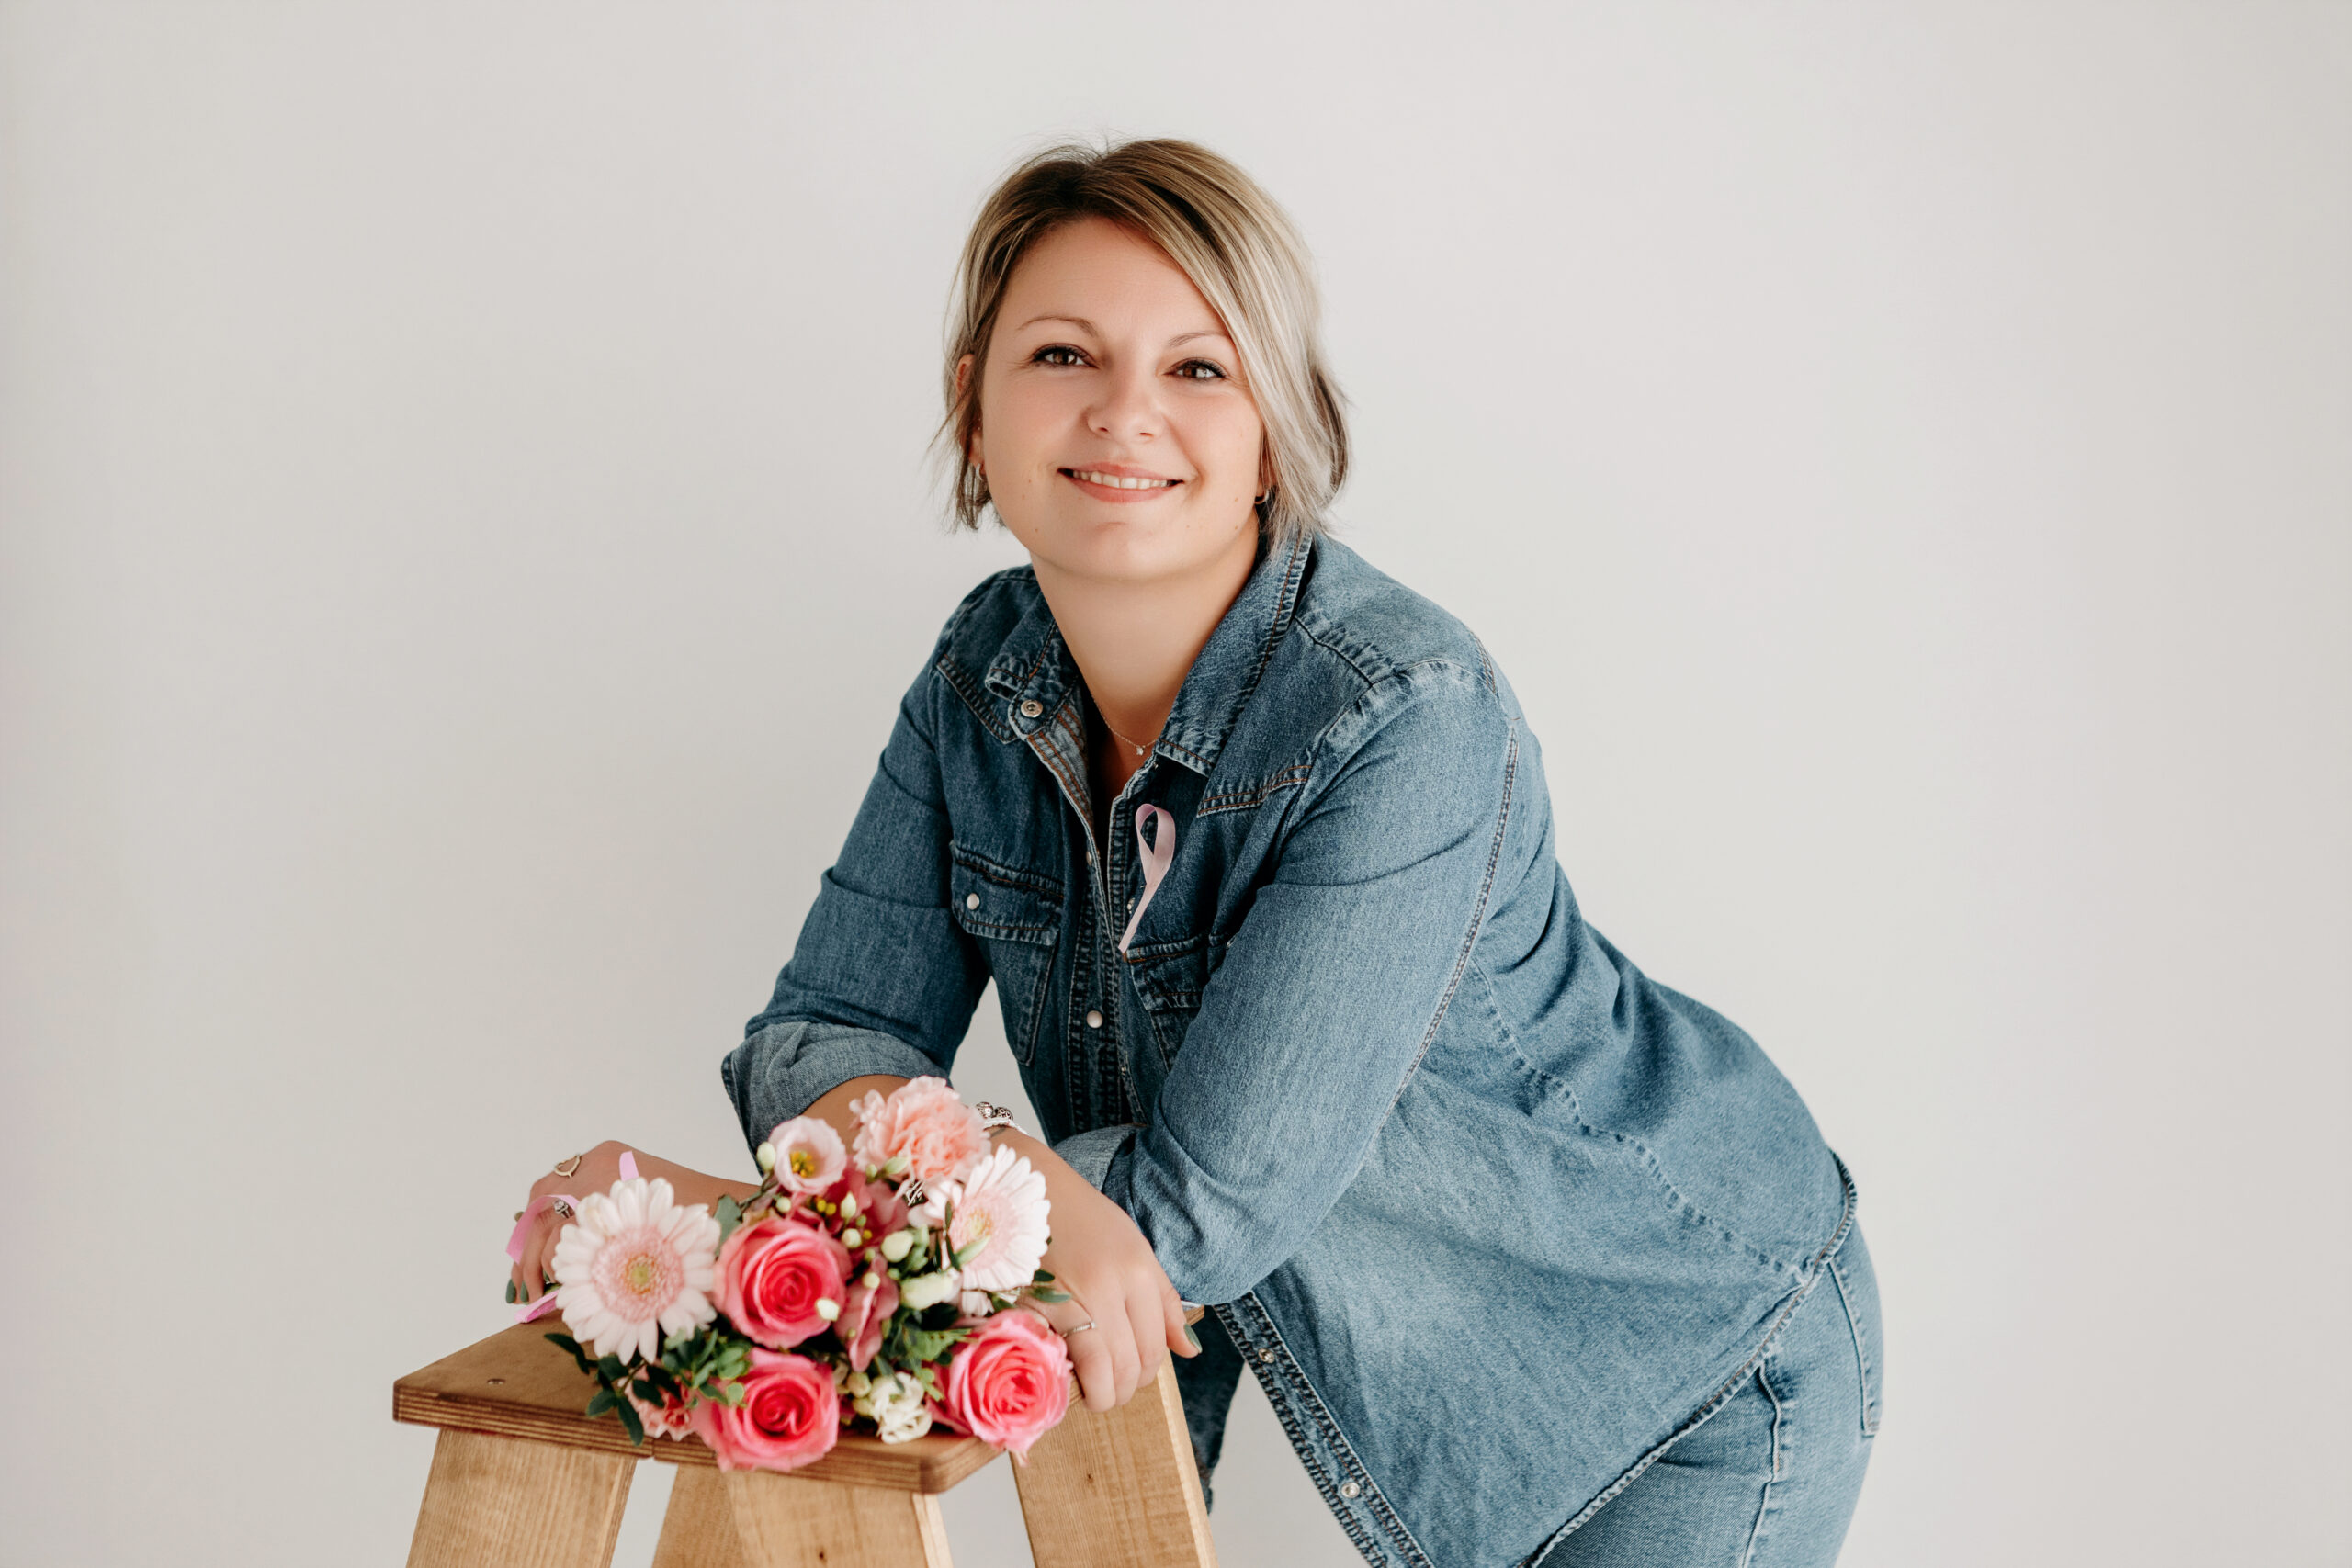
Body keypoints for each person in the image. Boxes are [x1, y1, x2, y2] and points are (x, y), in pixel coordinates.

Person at [510, 139, 1882, 1568]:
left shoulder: (1407, 718)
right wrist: (1002, 1190)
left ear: (1278, 433)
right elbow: (820, 1034)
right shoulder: (981, 678)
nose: (1122, 414)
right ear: (973, 412)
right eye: (1060, 354)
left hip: (1681, 1358)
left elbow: (1190, 1211)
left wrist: (697, 1235)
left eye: (1198, 369)